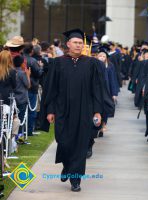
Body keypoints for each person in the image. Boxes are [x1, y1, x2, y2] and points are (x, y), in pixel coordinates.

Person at [42, 29, 104, 192]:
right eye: (75, 42)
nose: (78, 45)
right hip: (63, 110)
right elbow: (51, 89)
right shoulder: (58, 63)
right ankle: (67, 165)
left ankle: (75, 179)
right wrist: (50, 110)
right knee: (64, 141)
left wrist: (97, 111)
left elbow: (96, 89)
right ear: (68, 44)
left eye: (80, 43)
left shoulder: (91, 63)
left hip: (85, 110)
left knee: (80, 145)